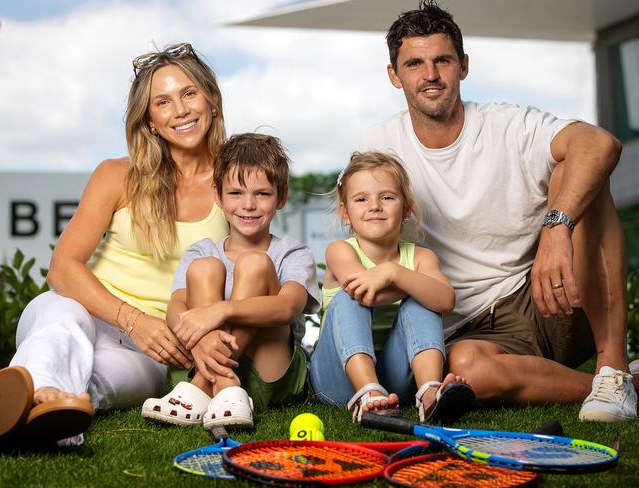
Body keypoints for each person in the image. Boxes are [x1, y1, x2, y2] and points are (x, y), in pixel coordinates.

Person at [357, 0, 637, 421]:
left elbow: (600, 143)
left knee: (578, 172)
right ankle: (619, 386)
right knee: (469, 372)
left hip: (552, 294)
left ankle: (612, 365)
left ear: (463, 66)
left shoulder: (508, 124)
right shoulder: (379, 147)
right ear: (394, 76)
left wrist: (556, 229)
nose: (430, 75)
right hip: (470, 331)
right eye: (415, 63)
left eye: (442, 60)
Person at [0, 42, 229, 447]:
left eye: (189, 93)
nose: (182, 110)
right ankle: (43, 395)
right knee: (59, 327)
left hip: (151, 352)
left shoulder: (237, 181)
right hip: (83, 308)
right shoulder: (117, 174)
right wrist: (136, 321)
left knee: (96, 381)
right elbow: (63, 268)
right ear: (150, 121)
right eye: (163, 102)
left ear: (212, 100)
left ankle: (45, 411)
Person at [141, 133, 321, 429]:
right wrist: (202, 339)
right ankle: (226, 386)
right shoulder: (201, 251)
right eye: (236, 193)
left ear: (281, 196)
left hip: (268, 373)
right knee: (204, 268)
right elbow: (176, 308)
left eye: (262, 194)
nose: (248, 204)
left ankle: (204, 385)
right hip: (205, 357)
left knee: (255, 264)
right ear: (218, 196)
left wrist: (222, 310)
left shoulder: (292, 252)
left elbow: (287, 307)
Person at [310, 151, 474, 423]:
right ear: (346, 213)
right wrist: (408, 281)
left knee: (424, 301)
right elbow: (364, 293)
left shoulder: (421, 257)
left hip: (398, 379)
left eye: (386, 197)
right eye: (361, 199)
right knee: (350, 298)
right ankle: (367, 392)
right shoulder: (340, 251)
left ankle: (429, 393)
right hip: (337, 380)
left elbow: (445, 300)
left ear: (406, 209)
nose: (374, 206)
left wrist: (393, 272)